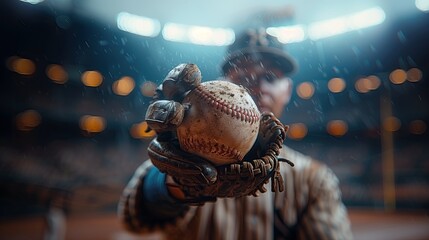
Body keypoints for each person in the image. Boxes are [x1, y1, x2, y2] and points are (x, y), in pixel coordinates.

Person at [118, 28, 353, 240]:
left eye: (270, 77)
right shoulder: (178, 152)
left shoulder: (314, 179)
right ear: (222, 85)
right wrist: (174, 183)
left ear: (288, 90)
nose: (259, 87)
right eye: (243, 78)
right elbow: (135, 220)